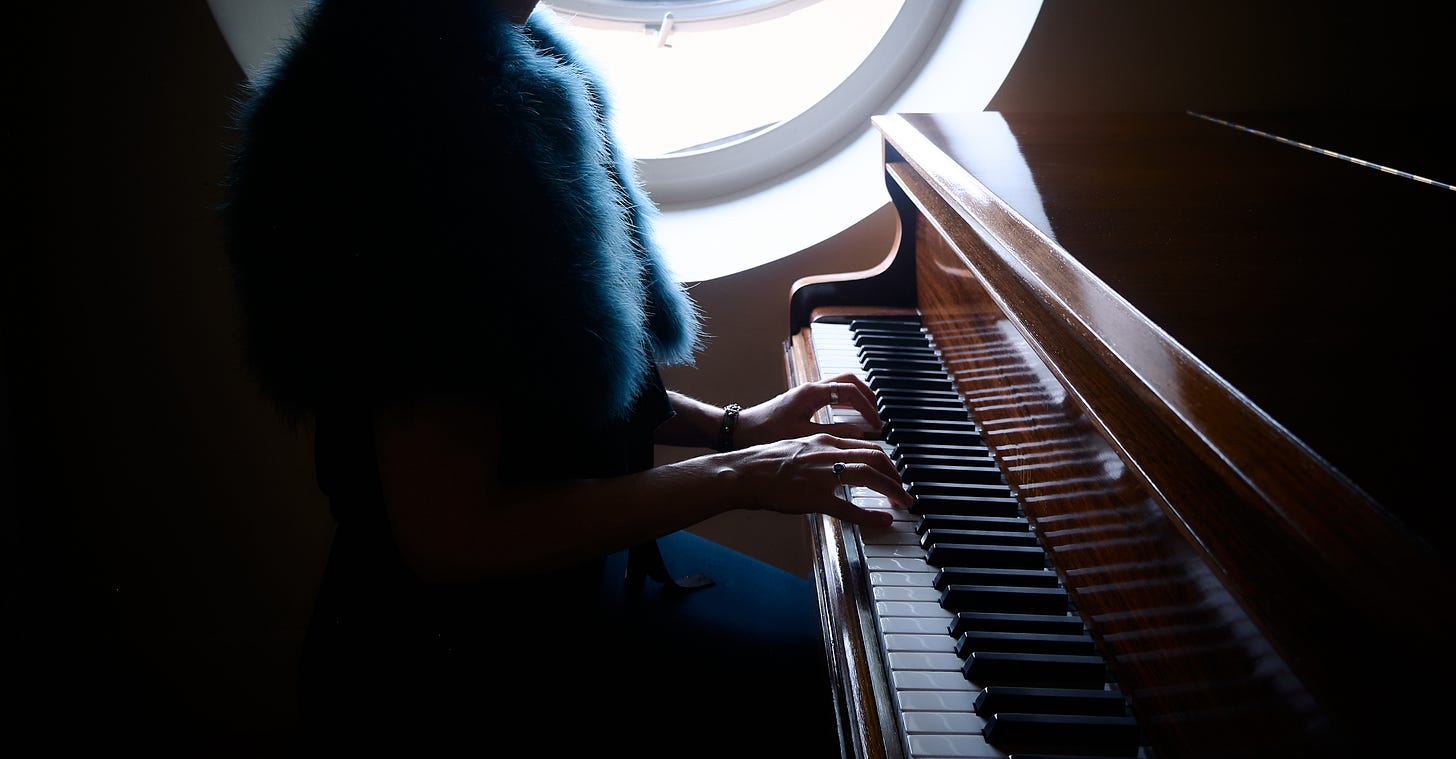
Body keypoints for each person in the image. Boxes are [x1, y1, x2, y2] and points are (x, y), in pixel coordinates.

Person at [220, 0, 912, 753]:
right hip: (463, 662)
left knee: (853, 647)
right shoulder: (412, 134)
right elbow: (452, 534)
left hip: (566, 580)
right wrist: (740, 473)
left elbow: (556, 393)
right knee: (848, 685)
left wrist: (732, 425)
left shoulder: (497, 65)